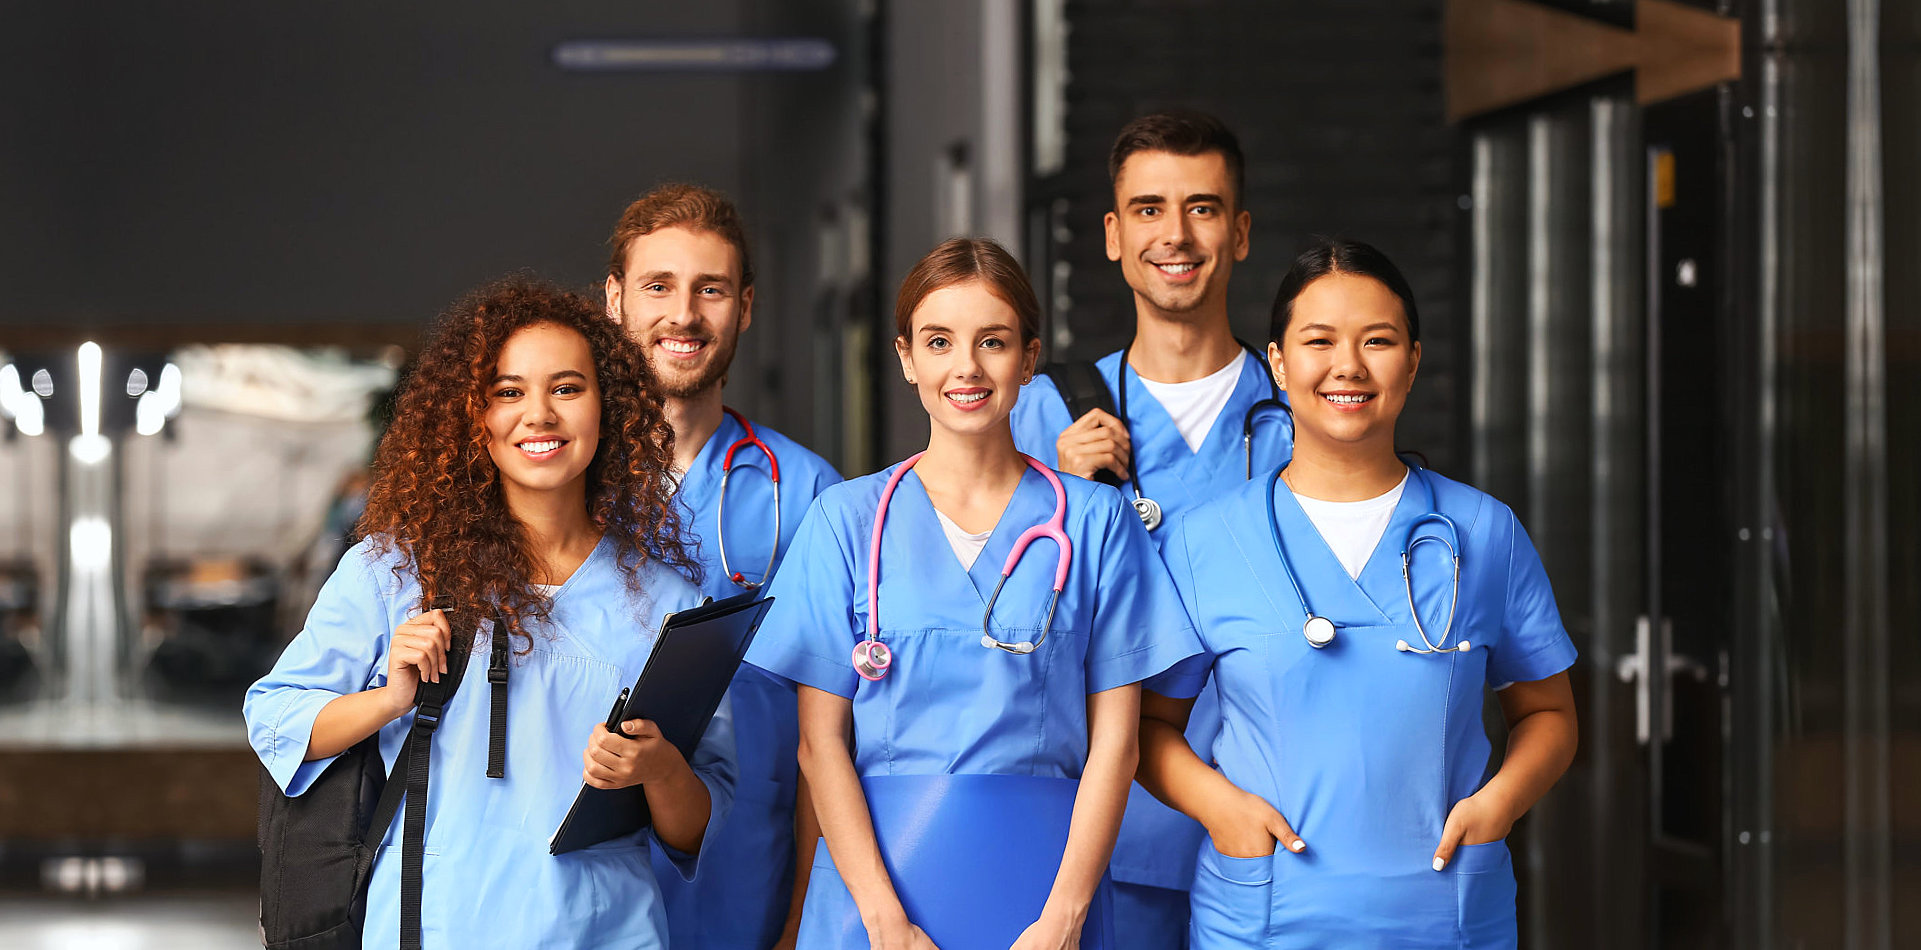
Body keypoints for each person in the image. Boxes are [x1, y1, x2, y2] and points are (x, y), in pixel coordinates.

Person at [245, 279, 735, 948]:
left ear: (609, 407)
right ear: (472, 417)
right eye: (508, 392)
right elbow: (273, 717)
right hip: (435, 926)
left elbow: (700, 827)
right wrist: (387, 700)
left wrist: (658, 771)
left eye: (566, 388)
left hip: (603, 932)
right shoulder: (393, 572)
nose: (539, 415)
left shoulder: (668, 604)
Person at [747, 238, 1201, 949]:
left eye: (992, 342)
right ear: (905, 358)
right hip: (873, 903)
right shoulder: (846, 521)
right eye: (938, 342)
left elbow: (1117, 745)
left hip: (1049, 897)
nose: (965, 367)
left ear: (1028, 358)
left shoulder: (1093, 521)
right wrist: (885, 925)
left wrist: (1063, 921)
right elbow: (818, 746)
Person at [1136, 239, 1580, 948]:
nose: (1347, 365)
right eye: (1318, 341)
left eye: (1377, 340)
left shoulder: (1482, 531)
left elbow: (1549, 712)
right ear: (1277, 363)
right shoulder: (1202, 541)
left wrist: (1497, 806)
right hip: (1261, 918)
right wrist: (1221, 809)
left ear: (1411, 359)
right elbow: (1147, 727)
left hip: (1445, 915)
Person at [1008, 110, 1294, 946]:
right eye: (1147, 209)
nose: (1175, 234)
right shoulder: (1038, 416)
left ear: (1239, 234)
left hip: (1273, 826)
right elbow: (984, 625)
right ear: (1111, 234)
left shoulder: (1301, 421)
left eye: (1202, 208)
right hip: (1107, 841)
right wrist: (1056, 493)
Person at [604, 183, 842, 950]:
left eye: (710, 289)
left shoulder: (805, 493)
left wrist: (805, 911)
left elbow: (831, 724)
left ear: (745, 306)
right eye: (658, 287)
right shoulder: (556, 480)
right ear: (614, 301)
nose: (683, 314)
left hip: (747, 871)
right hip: (587, 878)